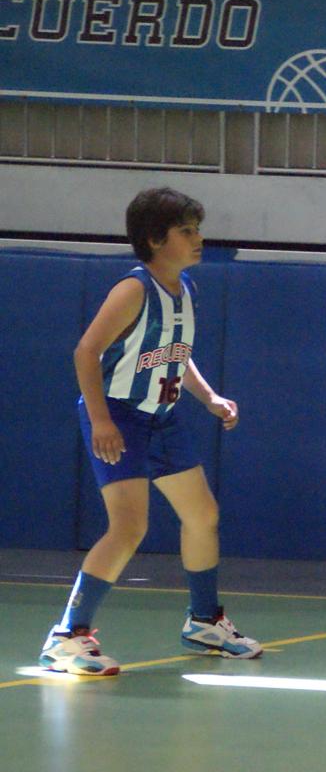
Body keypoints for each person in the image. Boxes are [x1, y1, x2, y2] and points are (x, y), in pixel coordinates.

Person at [39, 187, 261, 676]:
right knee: (129, 526)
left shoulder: (185, 290)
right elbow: (86, 352)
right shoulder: (133, 289)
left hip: (163, 417)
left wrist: (209, 398)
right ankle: (67, 636)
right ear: (156, 239)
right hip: (119, 415)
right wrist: (100, 420)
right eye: (187, 231)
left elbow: (178, 355)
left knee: (202, 514)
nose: (199, 238)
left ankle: (204, 621)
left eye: (197, 228)